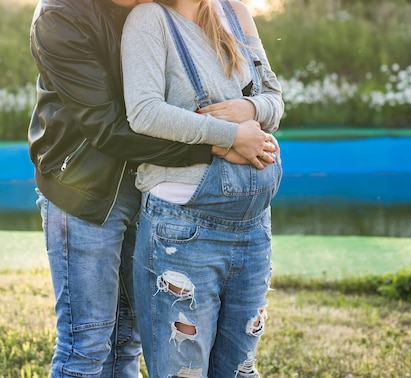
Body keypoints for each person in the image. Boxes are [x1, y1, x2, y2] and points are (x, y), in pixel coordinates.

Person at [27, 0, 277, 377]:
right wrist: (219, 144)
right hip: (84, 189)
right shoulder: (61, 16)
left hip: (141, 187)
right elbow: (110, 128)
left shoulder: (149, 10)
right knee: (87, 343)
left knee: (127, 340)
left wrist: (249, 110)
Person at [121, 0, 284, 376]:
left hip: (253, 229)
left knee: (239, 369)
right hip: (181, 231)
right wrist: (231, 137)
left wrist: (249, 109)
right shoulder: (149, 20)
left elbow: (274, 99)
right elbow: (143, 112)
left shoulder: (236, 13)